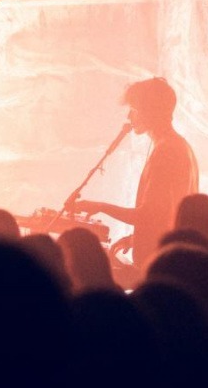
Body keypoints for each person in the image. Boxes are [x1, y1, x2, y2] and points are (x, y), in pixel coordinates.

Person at [69, 77, 199, 273]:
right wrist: (135, 239)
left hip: (161, 268)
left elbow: (149, 215)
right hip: (168, 261)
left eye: (134, 109)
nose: (129, 116)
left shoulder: (166, 152)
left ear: (151, 111)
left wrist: (100, 207)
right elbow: (167, 216)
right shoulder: (179, 146)